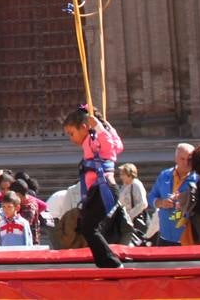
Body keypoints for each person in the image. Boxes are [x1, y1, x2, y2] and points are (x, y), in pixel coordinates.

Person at [63, 106, 124, 268]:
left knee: (89, 227)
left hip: (103, 189)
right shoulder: (91, 140)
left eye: (71, 133)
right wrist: (106, 126)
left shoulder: (94, 139)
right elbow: (117, 144)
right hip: (97, 191)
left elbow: (112, 147)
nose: (71, 138)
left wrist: (99, 126)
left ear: (83, 127)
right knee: (86, 225)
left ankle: (111, 263)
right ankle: (106, 261)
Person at [148, 143, 196, 246]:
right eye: (182, 159)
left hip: (187, 239)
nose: (186, 163)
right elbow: (151, 197)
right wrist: (160, 203)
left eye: (190, 159)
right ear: (176, 159)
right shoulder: (165, 175)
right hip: (165, 236)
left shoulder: (197, 179)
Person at [117, 163, 150, 245]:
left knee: (134, 242)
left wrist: (130, 215)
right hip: (127, 222)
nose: (120, 177)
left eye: (122, 174)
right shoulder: (125, 185)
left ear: (129, 174)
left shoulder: (136, 185)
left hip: (134, 221)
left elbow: (143, 203)